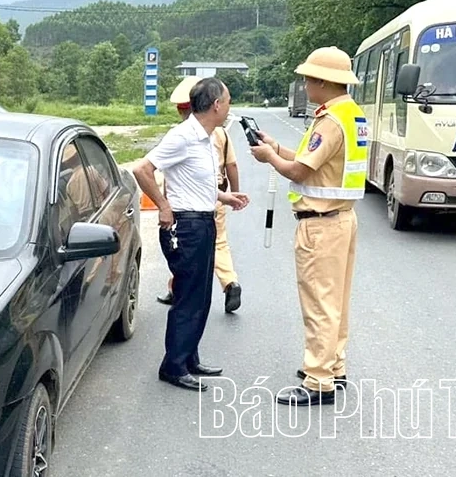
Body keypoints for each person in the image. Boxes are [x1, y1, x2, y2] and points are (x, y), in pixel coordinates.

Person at [249, 46, 366, 407]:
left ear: (322, 81)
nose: (304, 83)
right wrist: (276, 146)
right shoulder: (350, 114)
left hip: (320, 225)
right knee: (337, 302)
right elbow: (310, 161)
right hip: (341, 219)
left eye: (308, 78)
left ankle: (318, 381)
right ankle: (333, 367)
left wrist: (269, 157)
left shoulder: (330, 121)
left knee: (319, 304)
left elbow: (300, 171)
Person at [133, 77, 249, 392]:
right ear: (215, 105)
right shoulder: (182, 136)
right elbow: (143, 169)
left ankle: (188, 358)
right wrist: (163, 205)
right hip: (186, 227)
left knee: (201, 296)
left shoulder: (207, 138)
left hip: (204, 221)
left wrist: (225, 197)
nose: (229, 107)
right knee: (188, 298)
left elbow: (198, 184)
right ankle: (172, 366)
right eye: (227, 101)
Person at [156, 78, 243, 313]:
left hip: (208, 203)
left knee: (196, 281)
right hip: (190, 212)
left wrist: (228, 196)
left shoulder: (210, 134)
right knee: (216, 248)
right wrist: (232, 191)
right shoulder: (189, 136)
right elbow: (232, 166)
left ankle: (179, 288)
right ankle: (229, 282)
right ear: (215, 105)